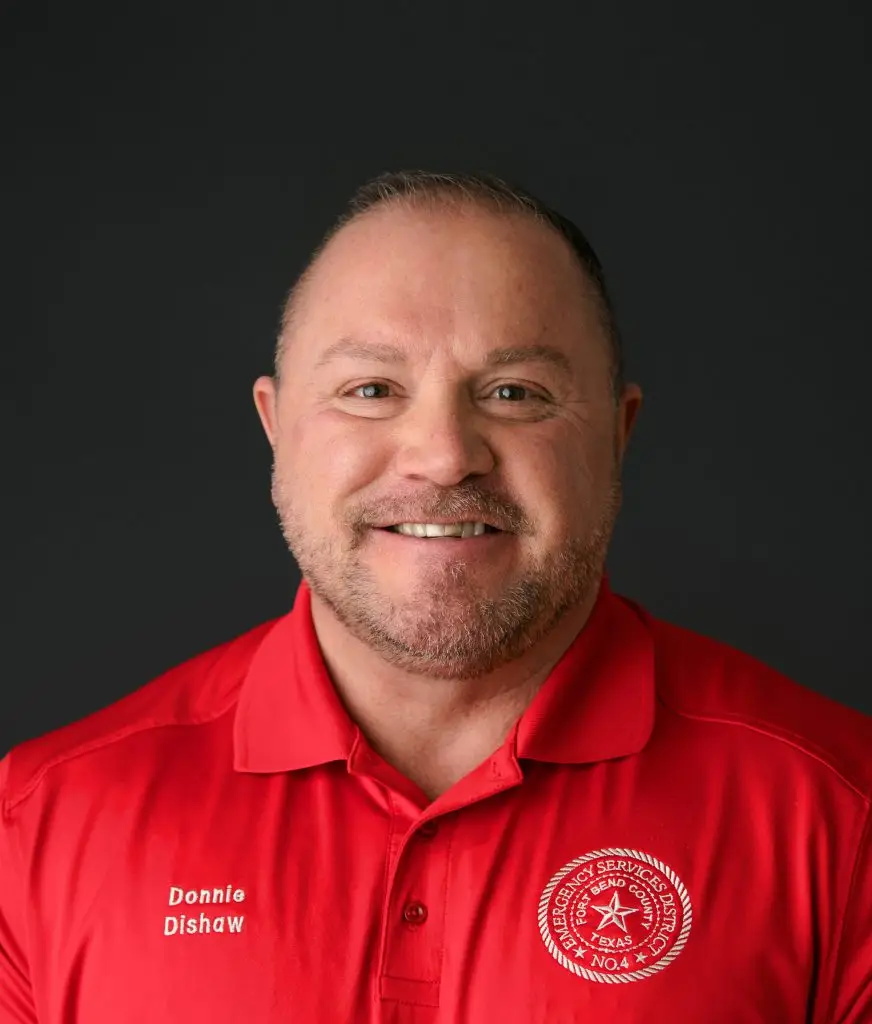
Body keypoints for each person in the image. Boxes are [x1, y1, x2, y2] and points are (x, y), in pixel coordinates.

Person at [1, 170, 870, 1024]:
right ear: (275, 426)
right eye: (371, 391)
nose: (445, 455)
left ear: (617, 434)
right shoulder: (38, 824)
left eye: (514, 394)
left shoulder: (844, 814)